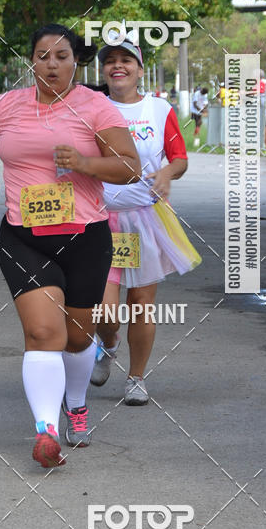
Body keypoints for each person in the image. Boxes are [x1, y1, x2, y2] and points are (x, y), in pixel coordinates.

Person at [0, 24, 141, 468]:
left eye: (61, 56)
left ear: (75, 62)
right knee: (44, 332)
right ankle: (45, 431)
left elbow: (129, 167)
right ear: (32, 60)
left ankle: (77, 403)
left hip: (85, 236)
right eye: (43, 55)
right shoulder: (7, 105)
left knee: (78, 335)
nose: (51, 63)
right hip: (24, 237)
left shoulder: (95, 105)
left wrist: (85, 163)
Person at [91, 39, 201, 404]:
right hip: (98, 220)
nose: (117, 66)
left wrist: (168, 173)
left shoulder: (158, 109)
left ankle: (136, 378)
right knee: (103, 309)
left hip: (145, 220)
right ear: (102, 70)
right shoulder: (91, 107)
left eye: (126, 60)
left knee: (141, 302)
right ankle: (108, 345)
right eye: (110, 61)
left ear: (140, 69)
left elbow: (180, 157)